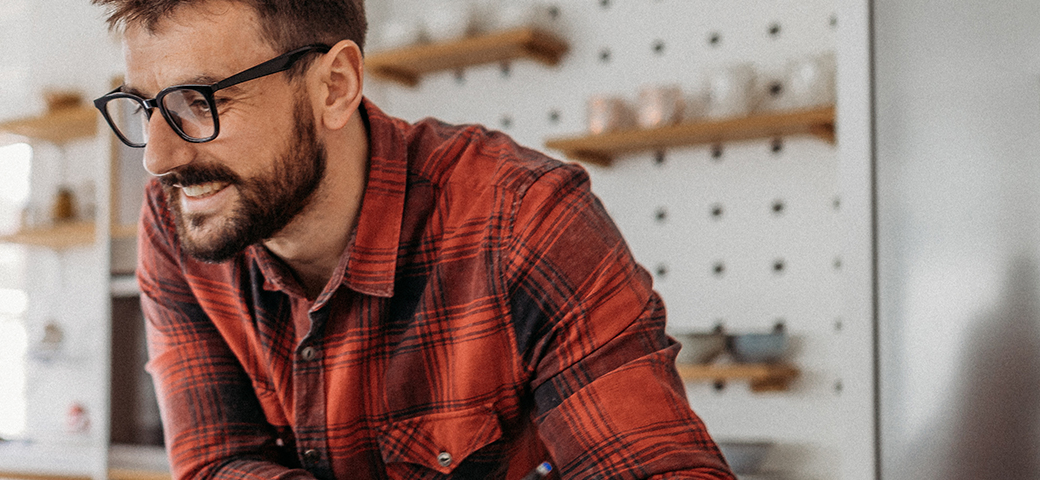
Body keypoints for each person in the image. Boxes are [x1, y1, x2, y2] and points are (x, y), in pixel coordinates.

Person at [92, 0, 734, 478]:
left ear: (334, 88)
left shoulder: (523, 219)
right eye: (145, 107)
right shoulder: (182, 220)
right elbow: (219, 462)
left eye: (199, 101)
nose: (157, 158)